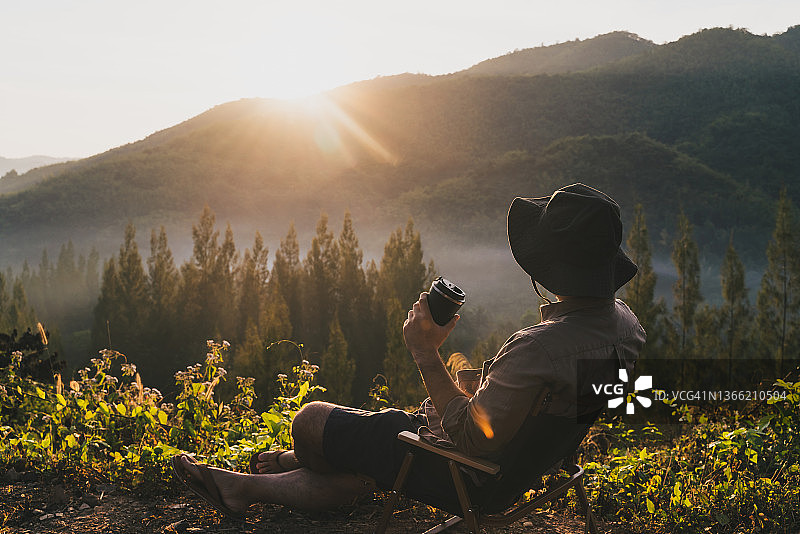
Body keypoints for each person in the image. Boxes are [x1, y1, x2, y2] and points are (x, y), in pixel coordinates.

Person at [172, 183, 646, 520]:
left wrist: (425, 352)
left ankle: (278, 470)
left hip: (472, 478)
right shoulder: (627, 328)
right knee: (362, 445)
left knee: (311, 420)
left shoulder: (537, 348)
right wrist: (482, 388)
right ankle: (243, 486)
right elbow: (547, 403)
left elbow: (472, 439)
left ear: (549, 268)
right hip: (525, 470)